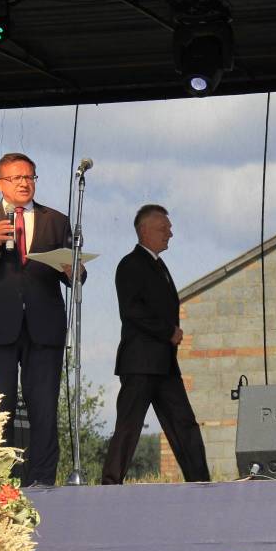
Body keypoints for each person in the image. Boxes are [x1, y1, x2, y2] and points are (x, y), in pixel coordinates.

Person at [0, 152, 81, 486]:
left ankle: (43, 485)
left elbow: (75, 275)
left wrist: (74, 271)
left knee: (44, 411)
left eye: (29, 177)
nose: (24, 183)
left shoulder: (57, 221)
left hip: (44, 329)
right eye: (16, 178)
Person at [101, 205, 210, 484]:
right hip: (140, 363)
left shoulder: (159, 266)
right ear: (144, 230)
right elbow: (132, 310)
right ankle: (110, 485)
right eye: (164, 229)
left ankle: (201, 482)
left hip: (165, 364)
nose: (170, 234)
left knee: (184, 424)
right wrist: (168, 331)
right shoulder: (130, 264)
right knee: (129, 426)